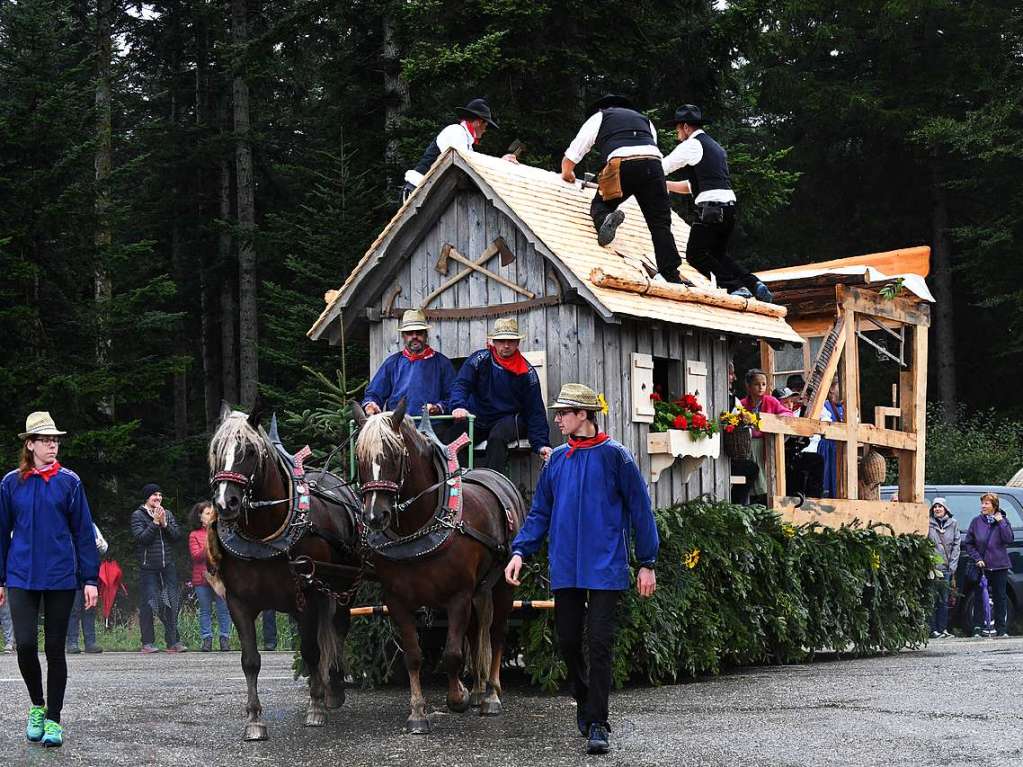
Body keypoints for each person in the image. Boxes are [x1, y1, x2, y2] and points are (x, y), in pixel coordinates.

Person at [505, 383, 658, 755]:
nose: (557, 419)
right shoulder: (557, 459)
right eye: (557, 413)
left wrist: (647, 563)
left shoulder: (617, 456)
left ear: (584, 416)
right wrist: (520, 552)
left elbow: (641, 510)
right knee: (569, 641)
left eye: (564, 413)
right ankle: (584, 696)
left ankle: (598, 723)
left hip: (606, 565)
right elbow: (540, 511)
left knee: (600, 643)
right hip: (567, 567)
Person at [0, 411, 99, 747]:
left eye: (55, 439)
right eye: (45, 440)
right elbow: (1, 535)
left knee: (56, 649)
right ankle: (37, 706)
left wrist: (90, 579)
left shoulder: (69, 482)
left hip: (60, 577)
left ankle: (54, 720)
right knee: (25, 645)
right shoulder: (10, 483)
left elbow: (84, 533)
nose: (52, 445)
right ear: (30, 445)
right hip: (20, 576)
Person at [562, 94, 687, 284]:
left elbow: (574, 153)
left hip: (622, 164)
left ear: (602, 107)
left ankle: (606, 218)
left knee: (601, 204)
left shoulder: (600, 117)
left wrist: (568, 174)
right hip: (653, 166)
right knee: (660, 223)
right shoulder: (645, 120)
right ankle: (670, 274)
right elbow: (649, 148)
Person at [661, 104, 773, 302]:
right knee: (717, 255)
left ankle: (735, 288)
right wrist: (666, 185)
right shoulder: (715, 147)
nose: (677, 133)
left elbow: (664, 166)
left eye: (677, 128)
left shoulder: (692, 145)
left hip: (710, 209)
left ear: (686, 127)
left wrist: (646, 175)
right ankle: (753, 283)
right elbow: (692, 185)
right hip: (728, 209)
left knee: (695, 255)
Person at [450, 317, 552, 470]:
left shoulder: (527, 372)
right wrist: (458, 406)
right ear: (493, 342)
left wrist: (541, 444)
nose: (506, 345)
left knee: (497, 438)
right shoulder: (479, 360)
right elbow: (461, 384)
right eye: (501, 340)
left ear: (517, 343)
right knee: (453, 438)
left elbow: (535, 410)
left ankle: (491, 484)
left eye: (511, 341)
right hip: (479, 417)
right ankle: (461, 481)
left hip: (509, 419)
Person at [402, 98, 517, 201]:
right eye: (485, 126)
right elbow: (465, 165)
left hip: (427, 193)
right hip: (416, 191)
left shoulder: (466, 141)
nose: (485, 130)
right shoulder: (456, 131)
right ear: (478, 122)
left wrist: (500, 163)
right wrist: (499, 163)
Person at [362, 309, 456, 418]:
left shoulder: (442, 363)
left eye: (419, 332)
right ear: (403, 336)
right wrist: (371, 404)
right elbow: (374, 393)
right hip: (397, 427)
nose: (414, 336)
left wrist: (438, 407)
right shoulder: (392, 363)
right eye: (409, 333)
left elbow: (454, 396)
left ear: (426, 334)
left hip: (433, 427)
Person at [131, 483, 186, 653]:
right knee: (149, 604)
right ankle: (147, 642)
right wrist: (155, 523)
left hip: (167, 565)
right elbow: (142, 538)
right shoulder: (138, 515)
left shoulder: (167, 513)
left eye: (160, 495)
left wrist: (164, 524)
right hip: (148, 567)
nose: (158, 498)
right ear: (147, 498)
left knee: (172, 602)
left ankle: (173, 642)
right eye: (154, 495)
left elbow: (177, 536)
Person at [962, 492, 1013, 638]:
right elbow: (969, 543)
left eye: (986, 503)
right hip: (982, 566)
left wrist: (1001, 522)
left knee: (1000, 597)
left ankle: (1001, 629)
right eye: (982, 503)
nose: (983, 506)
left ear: (994, 506)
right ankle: (977, 627)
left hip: (1000, 565)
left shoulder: (1003, 521)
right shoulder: (976, 521)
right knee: (979, 596)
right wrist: (977, 558)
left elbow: (1008, 539)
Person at [740, 368, 794, 504]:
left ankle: (763, 499)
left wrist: (776, 419)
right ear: (748, 386)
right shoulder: (742, 404)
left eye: (763, 384)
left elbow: (788, 413)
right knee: (751, 474)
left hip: (764, 444)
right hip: (747, 444)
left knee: (765, 476)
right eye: (757, 384)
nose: (761, 387)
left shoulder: (771, 401)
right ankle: (751, 500)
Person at [189, 501, 232, 652]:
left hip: (219, 577)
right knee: (205, 610)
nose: (211, 516)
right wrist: (209, 542)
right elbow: (196, 556)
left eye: (213, 513)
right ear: (200, 517)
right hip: (202, 578)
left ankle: (224, 639)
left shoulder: (222, 531)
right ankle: (206, 639)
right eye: (207, 513)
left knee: (224, 609)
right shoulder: (194, 535)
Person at [66, 522, 108, 654]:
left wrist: (100, 544)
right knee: (74, 609)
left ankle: (90, 642)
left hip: (89, 572)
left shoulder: (91, 526)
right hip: (71, 572)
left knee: (90, 607)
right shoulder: (64, 525)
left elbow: (104, 548)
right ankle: (72, 642)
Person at [727, 361, 758, 505]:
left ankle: (738, 505)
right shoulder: (734, 400)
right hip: (727, 457)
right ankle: (737, 506)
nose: (734, 378)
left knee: (750, 467)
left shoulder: (734, 400)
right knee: (751, 468)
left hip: (729, 454)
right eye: (730, 374)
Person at [928, 498, 960, 639]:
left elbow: (956, 546)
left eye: (940, 506)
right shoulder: (928, 523)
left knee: (944, 599)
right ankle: (933, 629)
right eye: (935, 506)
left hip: (947, 568)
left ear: (946, 508)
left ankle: (943, 628)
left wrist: (952, 566)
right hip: (933, 568)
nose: (937, 509)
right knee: (932, 599)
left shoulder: (953, 524)